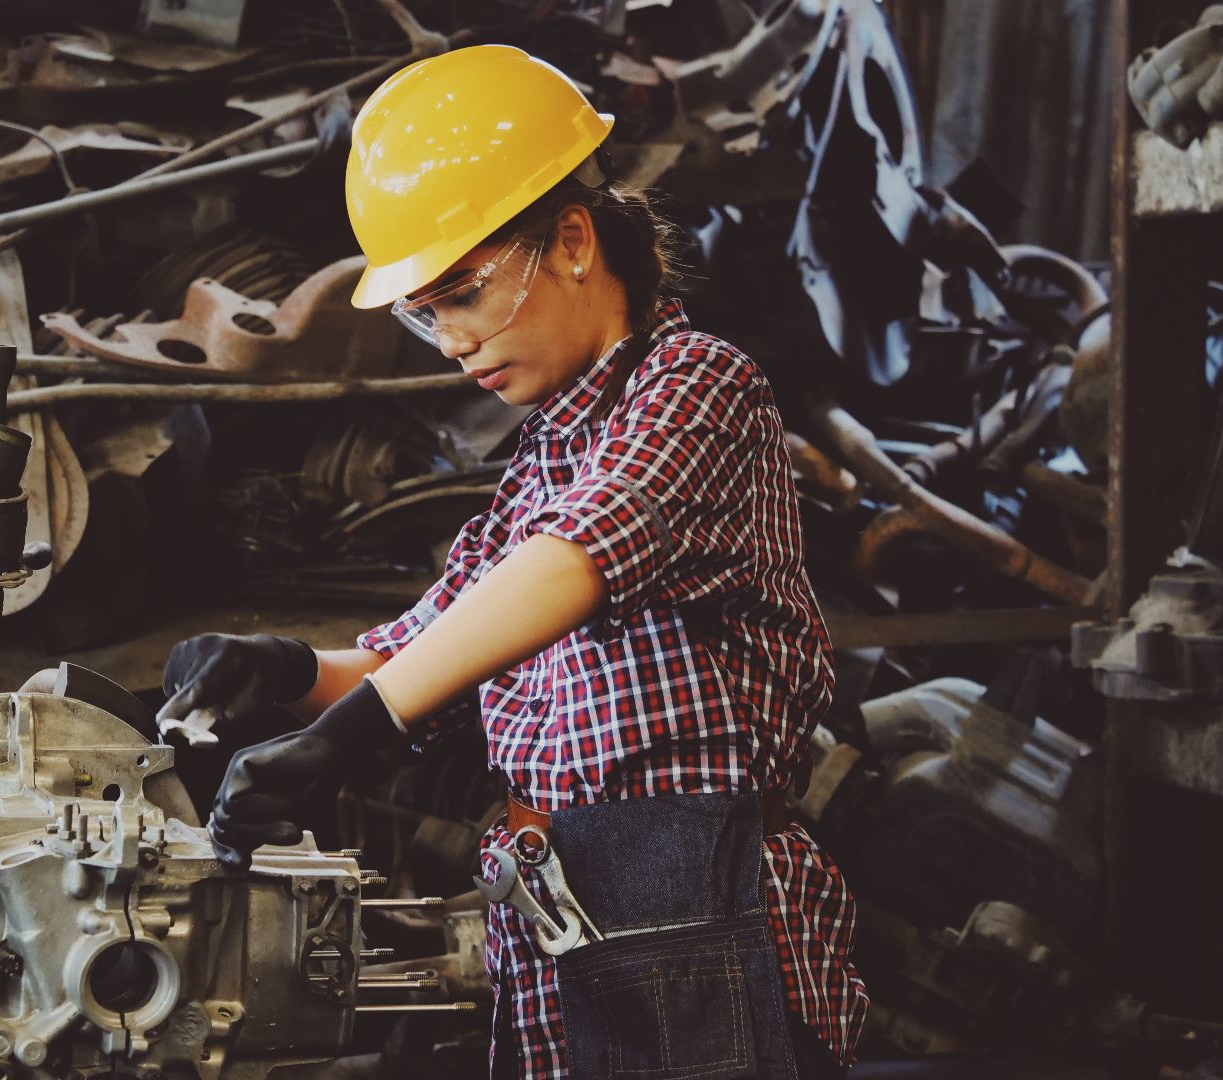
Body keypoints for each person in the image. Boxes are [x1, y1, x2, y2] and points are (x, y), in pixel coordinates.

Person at [157, 44, 867, 1080]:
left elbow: (576, 562)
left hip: (693, 916)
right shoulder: (540, 465)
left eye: (464, 293)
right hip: (564, 914)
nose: (450, 340)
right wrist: (282, 668)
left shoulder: (698, 386)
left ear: (572, 240)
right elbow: (422, 657)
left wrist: (356, 730)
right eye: (424, 311)